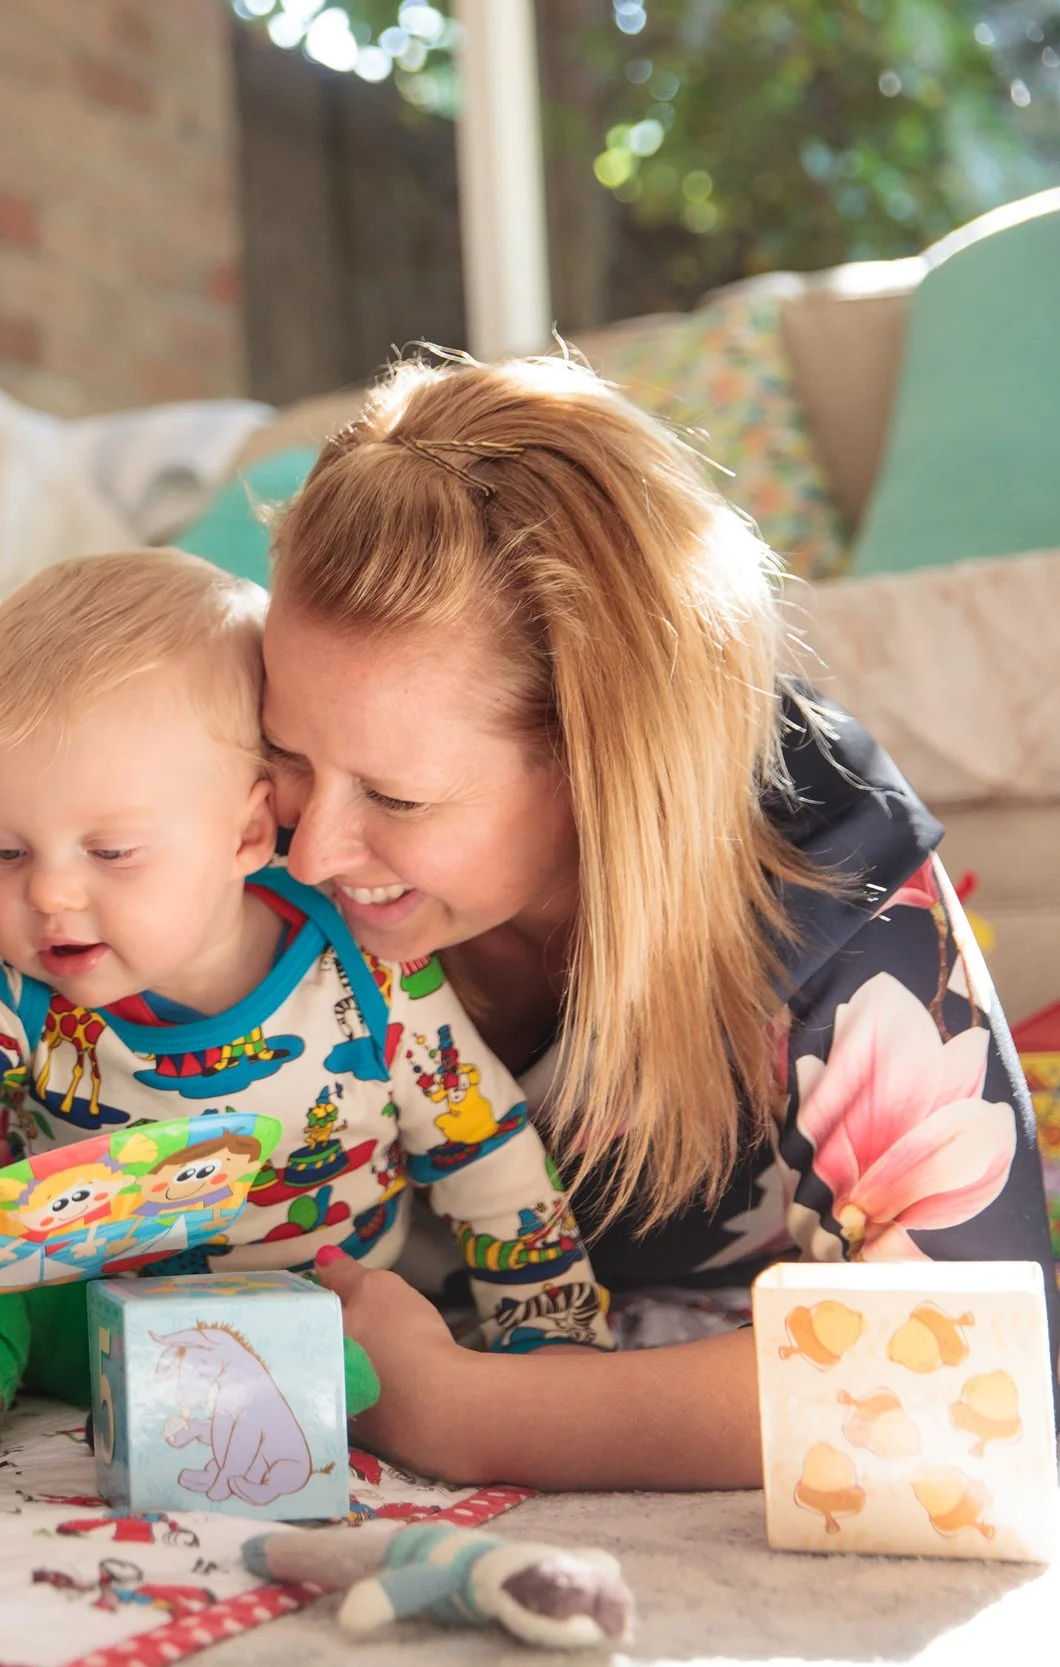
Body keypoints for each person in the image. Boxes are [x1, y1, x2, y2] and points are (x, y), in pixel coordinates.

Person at [257, 353, 1055, 1489]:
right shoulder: (235, 813)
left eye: (397, 796)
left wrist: (459, 1410)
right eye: (285, 755)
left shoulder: (826, 867)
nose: (306, 851)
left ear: (598, 763)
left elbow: (972, 1379)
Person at [0, 549, 609, 1477]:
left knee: (375, 1347)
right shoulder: (17, 983)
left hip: (312, 1300)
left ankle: (305, 1406)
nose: (51, 897)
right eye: (3, 852)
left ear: (246, 832)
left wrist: (549, 1332)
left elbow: (487, 1153)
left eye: (111, 852)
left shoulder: (365, 974)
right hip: (78, 1303)